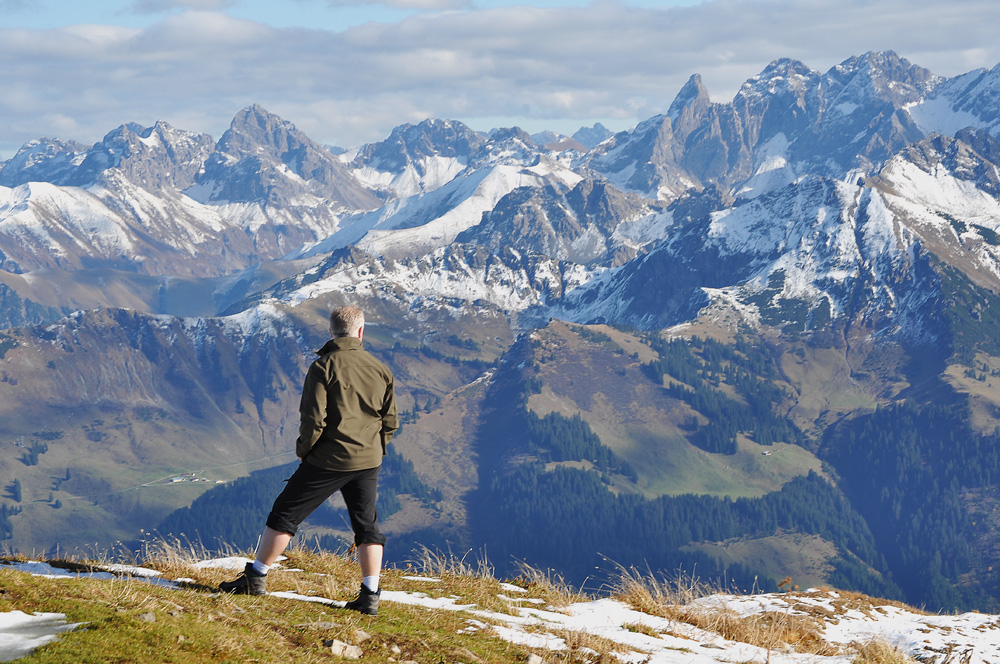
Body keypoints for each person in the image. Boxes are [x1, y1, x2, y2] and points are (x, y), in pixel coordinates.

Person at [219, 305, 398, 616]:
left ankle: (256, 577)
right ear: (360, 332)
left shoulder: (323, 367)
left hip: (328, 458)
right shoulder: (381, 368)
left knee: (285, 514)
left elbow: (313, 419)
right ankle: (369, 595)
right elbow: (390, 420)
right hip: (368, 460)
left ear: (331, 332)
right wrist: (375, 448)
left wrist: (304, 451)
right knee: (367, 526)